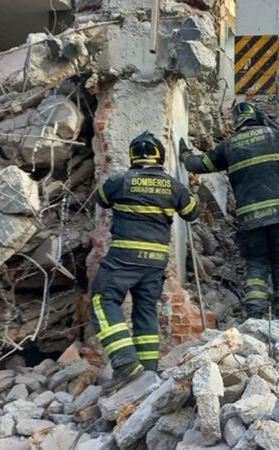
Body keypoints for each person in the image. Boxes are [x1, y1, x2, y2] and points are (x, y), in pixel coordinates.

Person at [181, 103, 279, 318]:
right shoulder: (275, 135)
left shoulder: (228, 145)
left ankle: (255, 311)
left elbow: (199, 164)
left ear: (237, 122)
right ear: (257, 117)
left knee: (257, 262)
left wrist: (184, 153)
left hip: (251, 217)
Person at [91, 132, 199, 390]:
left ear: (133, 155)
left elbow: (101, 198)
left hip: (123, 258)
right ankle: (148, 373)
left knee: (102, 299)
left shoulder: (121, 180)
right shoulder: (173, 185)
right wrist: (189, 189)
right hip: (155, 262)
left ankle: (125, 363)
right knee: (145, 311)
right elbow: (192, 213)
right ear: (159, 155)